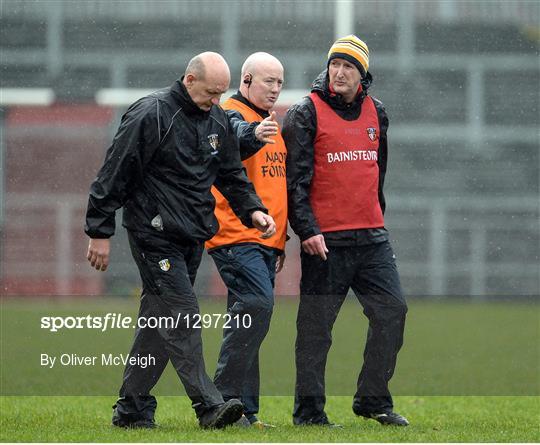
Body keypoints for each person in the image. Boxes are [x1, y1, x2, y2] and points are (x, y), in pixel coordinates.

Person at [84, 52, 277, 430]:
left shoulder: (216, 118)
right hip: (153, 235)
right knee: (184, 316)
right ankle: (208, 406)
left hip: (191, 237)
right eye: (210, 93)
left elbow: (231, 174)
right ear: (189, 80)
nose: (217, 101)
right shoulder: (150, 114)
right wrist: (99, 231)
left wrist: (253, 210)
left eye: (222, 94)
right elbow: (113, 174)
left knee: (159, 323)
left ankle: (133, 409)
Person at [283, 35, 409, 427]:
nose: (338, 72)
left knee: (393, 312)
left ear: (363, 75)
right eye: (335, 64)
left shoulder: (378, 113)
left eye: (348, 67)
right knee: (316, 330)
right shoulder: (306, 112)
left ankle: (372, 400)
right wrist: (307, 230)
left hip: (371, 237)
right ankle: (309, 413)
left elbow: (378, 171)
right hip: (325, 242)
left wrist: (377, 217)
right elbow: (295, 182)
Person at [205, 52, 287, 429]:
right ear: (247, 80)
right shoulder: (230, 114)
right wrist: (253, 134)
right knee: (256, 305)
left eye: (280, 83)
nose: (275, 89)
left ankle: (244, 413)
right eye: (269, 81)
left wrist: (281, 240)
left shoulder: (272, 124)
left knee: (251, 317)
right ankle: (221, 400)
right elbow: (237, 139)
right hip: (236, 235)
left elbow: (274, 185)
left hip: (265, 241)